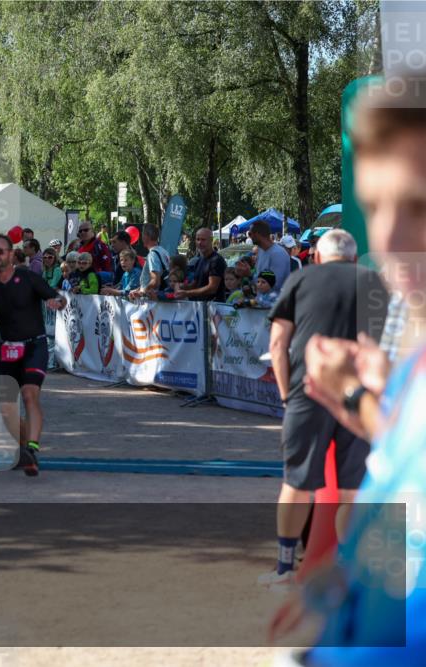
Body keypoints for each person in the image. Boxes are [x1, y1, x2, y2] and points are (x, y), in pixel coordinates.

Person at [269, 76, 426, 664]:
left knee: (302, 481)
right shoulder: (411, 371)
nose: (388, 235)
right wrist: (339, 588)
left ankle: (285, 557)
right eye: (375, 205)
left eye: (417, 204)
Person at [259, 229, 387, 586]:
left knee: (297, 482)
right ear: (354, 258)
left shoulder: (300, 279)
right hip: (358, 396)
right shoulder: (373, 281)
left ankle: (285, 568)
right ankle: (350, 573)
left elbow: (278, 341)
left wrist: (286, 395)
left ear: (316, 256)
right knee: (353, 489)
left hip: (307, 391)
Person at [0, 233, 66, 477]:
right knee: (7, 409)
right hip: (7, 350)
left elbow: (57, 297)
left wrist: (56, 302)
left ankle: (32, 447)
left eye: (0, 251)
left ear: (10, 254)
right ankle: (24, 450)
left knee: (29, 394)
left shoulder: (28, 278)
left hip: (34, 347)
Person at [173, 227, 226, 301]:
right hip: (199, 306)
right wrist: (181, 286)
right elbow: (195, 285)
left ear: (211, 241)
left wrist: (187, 293)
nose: (200, 243)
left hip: (214, 308)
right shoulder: (199, 260)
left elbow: (212, 288)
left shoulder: (216, 260)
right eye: (198, 239)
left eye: (203, 240)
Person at [128, 223, 169, 299]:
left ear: (147, 236)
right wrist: (139, 289)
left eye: (143, 234)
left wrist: (142, 292)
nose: (141, 237)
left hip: (152, 301)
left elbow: (155, 281)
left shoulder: (152, 255)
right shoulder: (164, 251)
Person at [250, 219, 292, 291]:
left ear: (257, 234)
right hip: (261, 300)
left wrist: (248, 274)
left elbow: (275, 285)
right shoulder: (261, 251)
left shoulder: (278, 254)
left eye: (250, 234)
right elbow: (258, 278)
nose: (250, 237)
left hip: (275, 301)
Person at [76, 220, 113, 286]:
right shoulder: (78, 247)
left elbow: (107, 265)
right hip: (82, 278)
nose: (83, 232)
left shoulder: (99, 245)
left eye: (86, 230)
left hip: (97, 279)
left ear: (92, 231)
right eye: (80, 231)